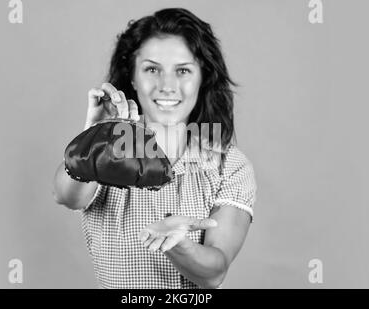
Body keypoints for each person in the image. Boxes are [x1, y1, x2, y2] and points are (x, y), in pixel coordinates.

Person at [52, 8, 257, 289]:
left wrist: (178, 244)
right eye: (152, 69)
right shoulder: (109, 151)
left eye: (183, 70)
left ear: (202, 78)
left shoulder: (229, 165)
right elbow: (65, 196)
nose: (167, 86)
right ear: (133, 78)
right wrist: (93, 140)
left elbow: (214, 272)